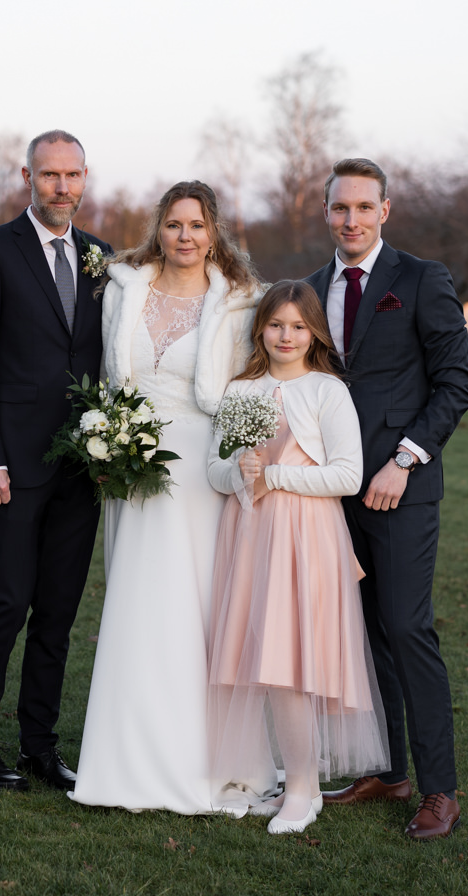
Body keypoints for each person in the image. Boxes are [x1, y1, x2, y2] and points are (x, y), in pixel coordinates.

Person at [70, 180, 264, 814]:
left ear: (215, 234)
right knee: (134, 602)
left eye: (198, 226)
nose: (186, 236)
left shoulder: (239, 302)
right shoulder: (124, 288)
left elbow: (248, 393)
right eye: (176, 224)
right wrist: (106, 439)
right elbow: (107, 376)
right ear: (160, 228)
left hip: (201, 471)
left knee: (194, 606)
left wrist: (241, 469)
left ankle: (200, 762)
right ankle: (124, 761)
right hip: (130, 466)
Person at [302, 158, 468, 840]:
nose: (351, 219)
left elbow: (455, 383)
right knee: (367, 635)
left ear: (385, 211)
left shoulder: (422, 279)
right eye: (340, 208)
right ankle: (389, 770)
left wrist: (405, 460)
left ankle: (439, 791)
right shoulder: (314, 290)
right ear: (326, 214)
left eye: (364, 208)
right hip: (335, 494)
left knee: (407, 629)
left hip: (400, 489)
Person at [0, 130, 115, 790]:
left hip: (83, 466)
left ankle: (39, 747)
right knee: (4, 605)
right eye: (50, 175)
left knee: (58, 613)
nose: (62, 187)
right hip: (12, 468)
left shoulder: (102, 256)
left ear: (85, 178)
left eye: (73, 175)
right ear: (27, 177)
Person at [206, 280, 388, 834]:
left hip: (306, 537)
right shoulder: (243, 389)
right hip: (251, 535)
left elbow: (348, 475)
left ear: (314, 333)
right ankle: (285, 776)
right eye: (276, 325)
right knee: (260, 661)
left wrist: (277, 476)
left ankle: (304, 792)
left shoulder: (326, 391)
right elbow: (212, 470)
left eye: (298, 326)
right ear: (261, 328)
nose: (286, 336)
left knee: (292, 665)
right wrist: (238, 472)